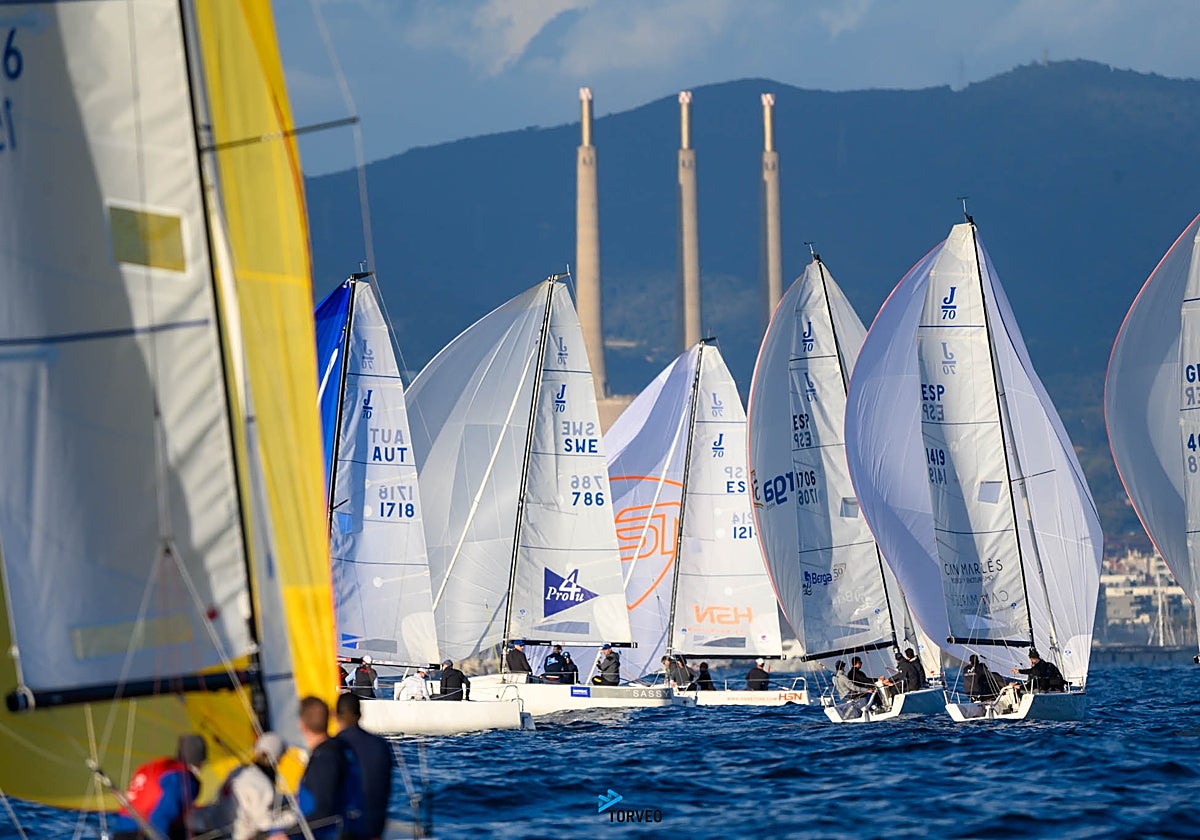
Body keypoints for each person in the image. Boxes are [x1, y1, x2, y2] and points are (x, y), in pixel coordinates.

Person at [267, 697, 364, 840]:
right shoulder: (338, 749)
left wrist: (288, 835)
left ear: (302, 725)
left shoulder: (325, 759)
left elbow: (323, 809)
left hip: (321, 834)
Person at [109, 733, 207, 840]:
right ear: (200, 762)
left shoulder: (152, 767)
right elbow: (161, 817)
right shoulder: (184, 779)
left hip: (120, 832)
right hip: (146, 832)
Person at [193, 731, 286, 840]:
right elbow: (263, 822)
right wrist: (291, 817)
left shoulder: (238, 770)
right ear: (278, 760)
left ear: (256, 751)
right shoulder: (265, 787)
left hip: (210, 826)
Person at [337, 693, 394, 840]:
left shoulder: (334, 746)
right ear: (360, 714)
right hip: (376, 826)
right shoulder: (381, 745)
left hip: (347, 830)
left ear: (336, 716)